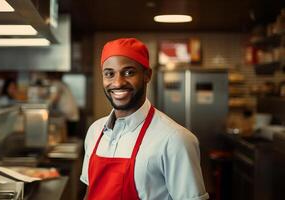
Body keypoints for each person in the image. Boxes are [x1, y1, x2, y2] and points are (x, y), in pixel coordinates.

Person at [80, 38, 208, 200]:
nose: (118, 82)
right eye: (109, 74)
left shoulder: (175, 139)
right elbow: (90, 192)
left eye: (129, 72)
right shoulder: (95, 131)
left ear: (147, 75)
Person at [46, 72, 80, 137]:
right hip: (72, 115)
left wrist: (45, 105)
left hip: (68, 116)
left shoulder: (57, 84)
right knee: (70, 135)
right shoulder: (62, 84)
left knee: (68, 136)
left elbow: (53, 99)